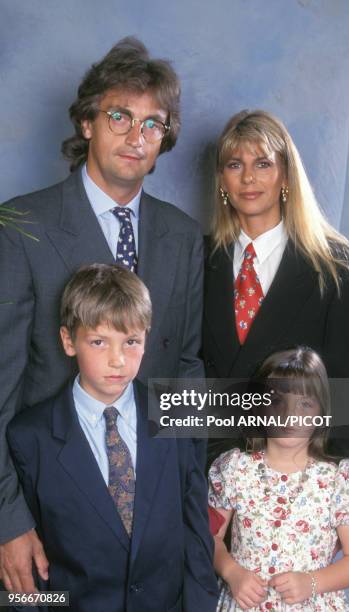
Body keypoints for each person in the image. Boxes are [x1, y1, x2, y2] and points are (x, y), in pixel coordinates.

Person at [0, 37, 204, 589]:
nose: (135, 137)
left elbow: (184, 369)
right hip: (48, 505)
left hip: (155, 513)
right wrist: (7, 522)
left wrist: (190, 504)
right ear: (87, 122)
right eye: (119, 116)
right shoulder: (21, 226)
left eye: (153, 124)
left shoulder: (183, 237)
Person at [6, 264, 218, 612]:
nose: (118, 360)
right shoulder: (30, 437)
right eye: (99, 341)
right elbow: (29, 572)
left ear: (147, 338)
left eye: (131, 342)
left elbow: (195, 534)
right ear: (68, 340)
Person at [203, 109, 349, 474]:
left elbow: (342, 390)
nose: (247, 178)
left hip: (295, 482)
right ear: (221, 180)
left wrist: (347, 499)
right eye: (233, 165)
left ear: (286, 174)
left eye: (262, 164)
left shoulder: (334, 265)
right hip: (209, 471)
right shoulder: (195, 258)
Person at [208, 347, 349, 611]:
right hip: (244, 604)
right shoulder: (234, 468)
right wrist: (231, 571)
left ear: (322, 412)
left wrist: (312, 582)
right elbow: (209, 537)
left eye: (305, 403)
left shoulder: (336, 479)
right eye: (277, 400)